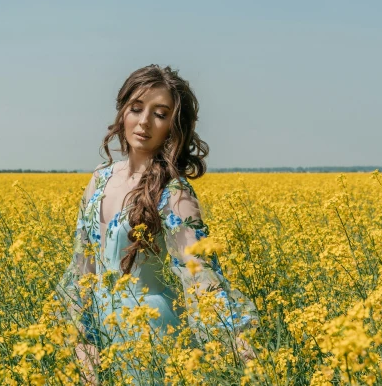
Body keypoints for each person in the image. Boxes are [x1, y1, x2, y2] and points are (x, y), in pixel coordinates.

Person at [54, 65, 259, 385]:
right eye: (136, 108)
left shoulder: (173, 191)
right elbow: (83, 267)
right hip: (103, 337)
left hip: (154, 334)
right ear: (122, 112)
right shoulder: (99, 179)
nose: (145, 121)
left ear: (173, 127)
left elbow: (199, 274)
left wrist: (236, 344)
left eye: (160, 114)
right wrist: (81, 340)